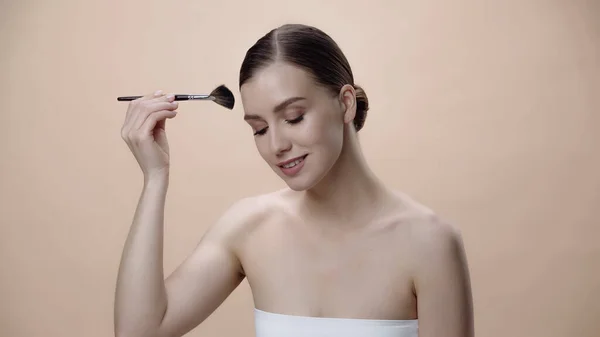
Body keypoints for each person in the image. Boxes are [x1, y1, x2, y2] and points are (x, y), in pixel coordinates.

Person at [114, 24, 474, 337]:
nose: (277, 145)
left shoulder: (429, 244)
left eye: (294, 116)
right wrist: (155, 177)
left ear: (345, 103)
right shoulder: (250, 227)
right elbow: (140, 330)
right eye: (259, 129)